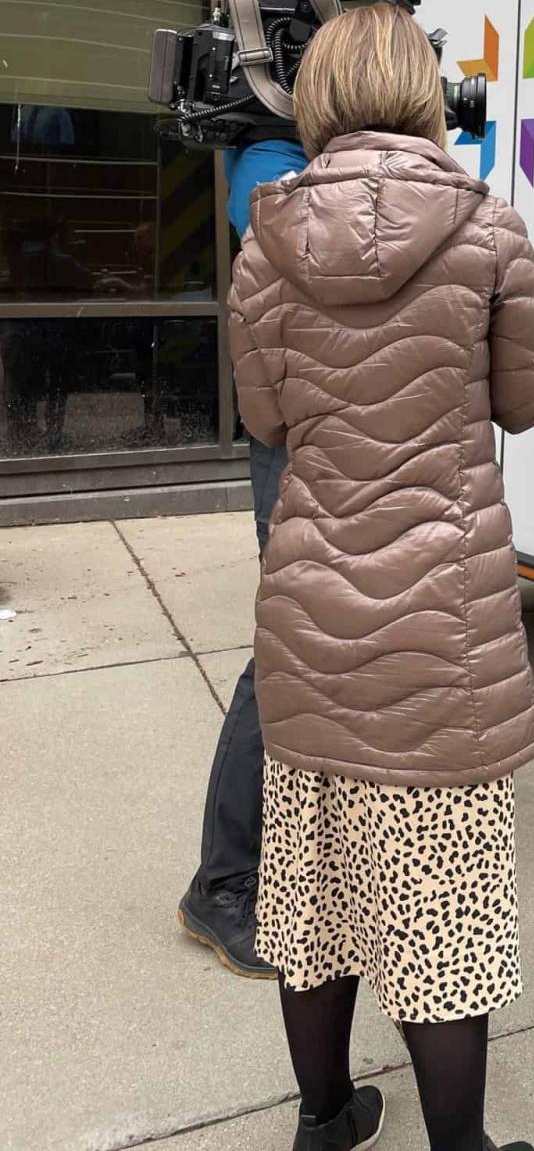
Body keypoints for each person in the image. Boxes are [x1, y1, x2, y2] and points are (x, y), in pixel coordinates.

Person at [229, 0, 534, 1151]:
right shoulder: (489, 229)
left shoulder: (263, 242)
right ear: (424, 90)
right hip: (440, 626)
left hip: (310, 613)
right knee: (439, 916)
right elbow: (523, 402)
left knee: (314, 898)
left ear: (314, 96)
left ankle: (325, 1121)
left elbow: (266, 422)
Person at [178, 135, 307, 978]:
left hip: (349, 445)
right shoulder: (270, 160)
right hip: (296, 440)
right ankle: (222, 885)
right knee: (285, 655)